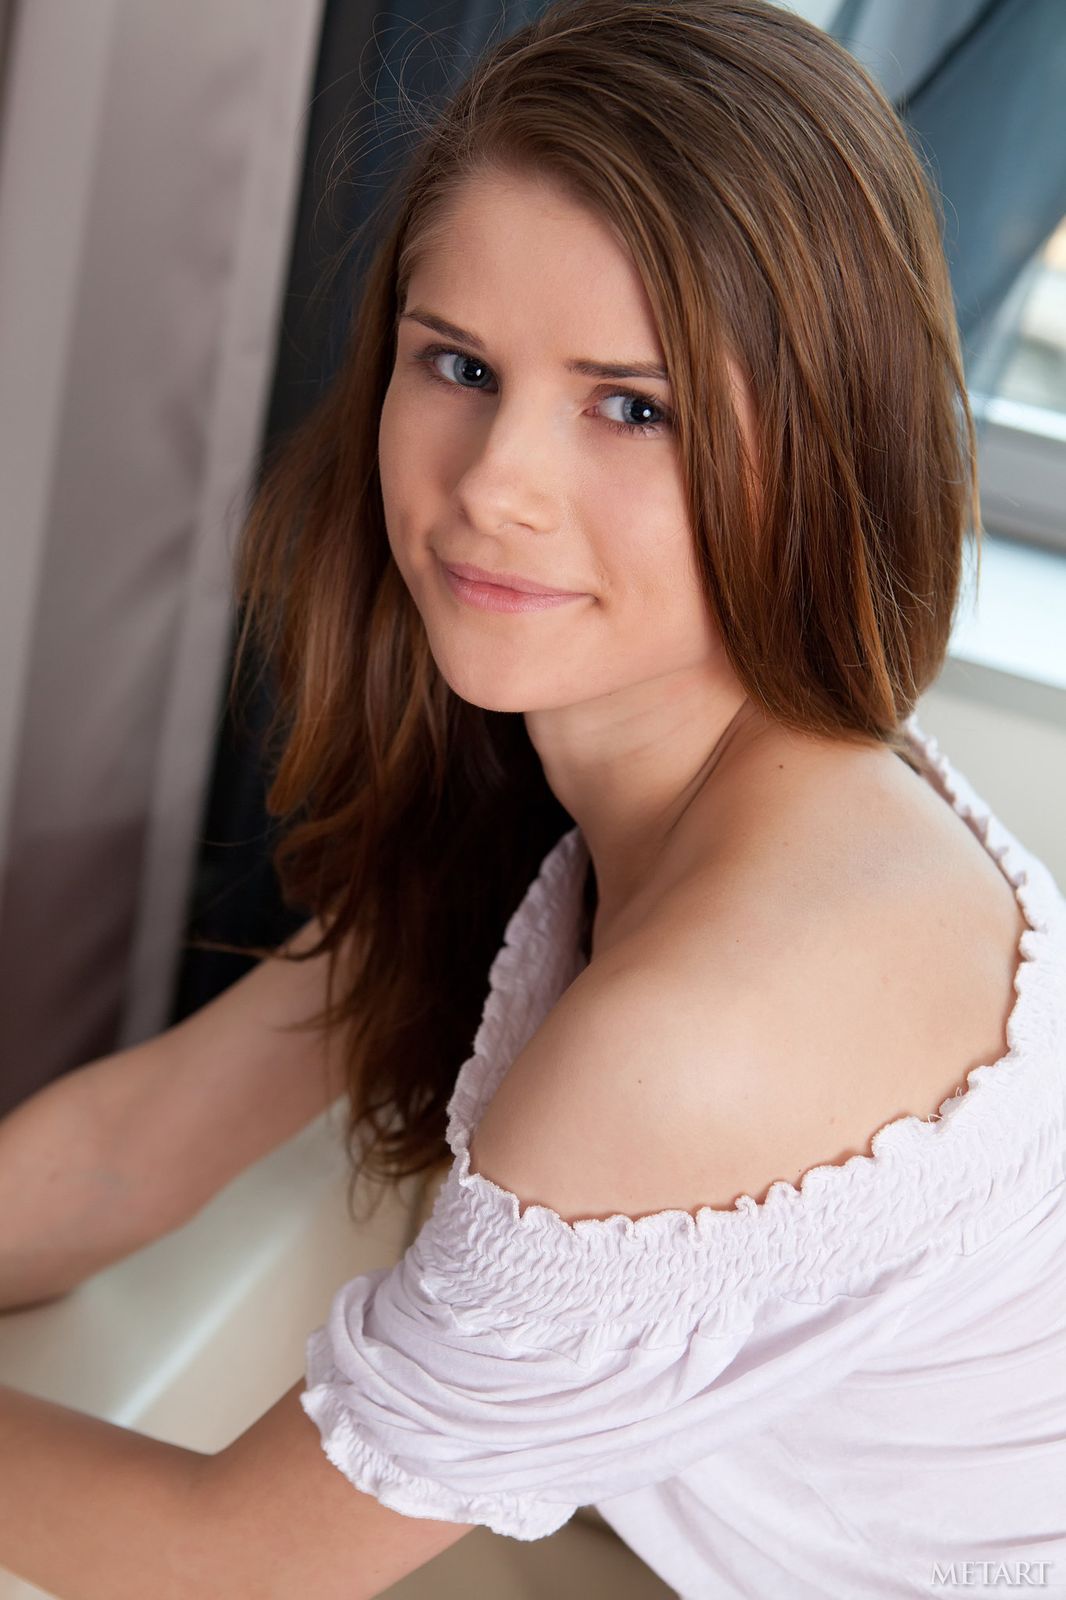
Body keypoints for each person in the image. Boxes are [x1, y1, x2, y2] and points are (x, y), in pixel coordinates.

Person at [1, 0, 1064, 1595]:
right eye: (458, 364)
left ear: (827, 440)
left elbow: (231, 1560)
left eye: (631, 406)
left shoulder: (708, 1017)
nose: (494, 479)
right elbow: (129, 1151)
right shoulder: (611, 773)